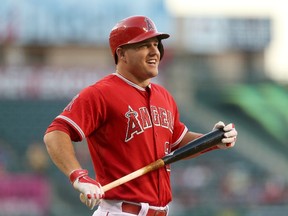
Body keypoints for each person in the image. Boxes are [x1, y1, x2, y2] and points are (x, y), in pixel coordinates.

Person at [43, 15, 238, 216]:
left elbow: (179, 141)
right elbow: (56, 133)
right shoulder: (101, 93)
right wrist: (79, 176)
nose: (155, 51)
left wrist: (214, 140)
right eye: (144, 45)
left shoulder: (164, 96)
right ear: (122, 54)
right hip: (121, 211)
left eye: (156, 44)